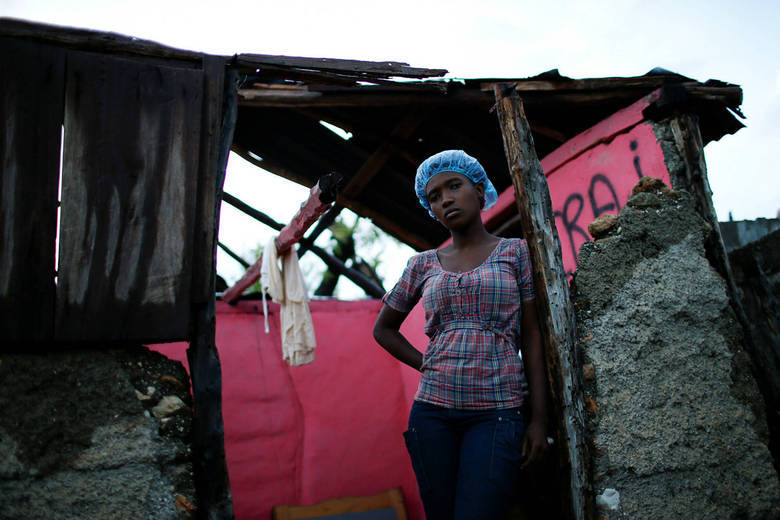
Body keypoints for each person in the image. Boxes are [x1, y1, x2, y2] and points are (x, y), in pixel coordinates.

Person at [373, 150, 548, 519]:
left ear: (479, 190)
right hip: (432, 414)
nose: (446, 199)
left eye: (454, 186)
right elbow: (383, 329)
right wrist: (428, 365)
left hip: (497, 412)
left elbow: (532, 339)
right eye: (435, 196)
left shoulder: (516, 253)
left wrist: (538, 420)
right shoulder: (422, 264)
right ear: (430, 209)